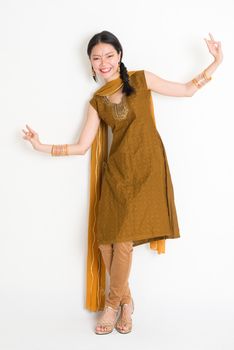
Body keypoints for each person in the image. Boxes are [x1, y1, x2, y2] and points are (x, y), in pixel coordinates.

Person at [22, 30, 223, 335]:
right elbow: (81, 147)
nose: (103, 62)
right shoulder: (97, 102)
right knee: (105, 242)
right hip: (116, 176)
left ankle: (112, 305)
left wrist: (216, 62)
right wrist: (41, 146)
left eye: (108, 55)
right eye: (96, 58)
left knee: (124, 243)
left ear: (120, 56)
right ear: (90, 64)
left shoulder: (142, 80)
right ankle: (127, 302)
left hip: (146, 172)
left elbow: (185, 90)